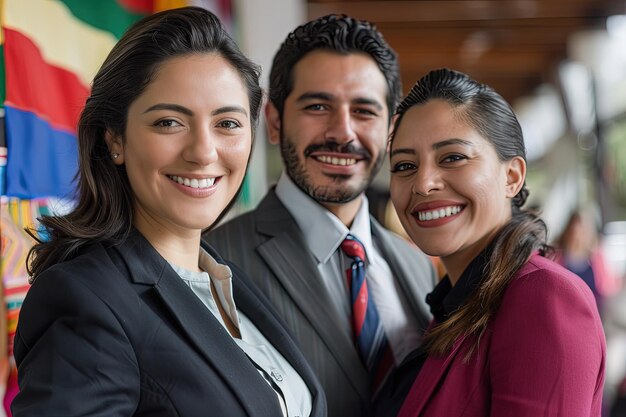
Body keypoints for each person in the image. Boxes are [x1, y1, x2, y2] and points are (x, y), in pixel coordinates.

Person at [11, 7, 326, 417]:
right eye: (169, 122)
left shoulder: (228, 282)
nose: (203, 152)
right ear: (115, 140)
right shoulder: (84, 299)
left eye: (227, 123)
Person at [205, 14, 436, 417]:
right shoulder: (213, 264)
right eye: (317, 106)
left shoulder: (420, 266)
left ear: (390, 129)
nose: (342, 132)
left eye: (364, 110)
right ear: (275, 122)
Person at [384, 68, 605, 416]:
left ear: (512, 176)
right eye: (404, 165)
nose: (423, 183)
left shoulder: (543, 296)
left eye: (453, 157)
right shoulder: (455, 303)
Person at [554, 209, 621, 313]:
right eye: (577, 227)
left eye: (585, 230)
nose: (580, 234)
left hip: (592, 313)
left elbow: (607, 286)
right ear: (569, 230)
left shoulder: (596, 257)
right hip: (566, 312)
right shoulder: (557, 256)